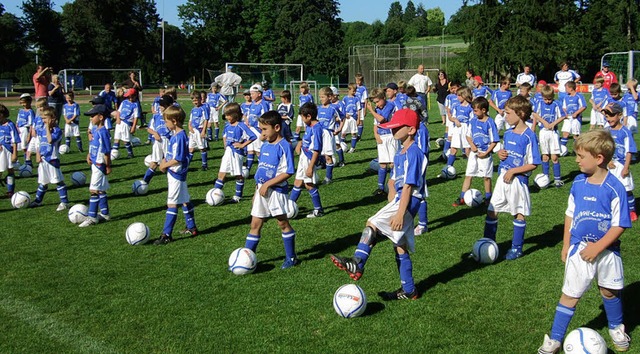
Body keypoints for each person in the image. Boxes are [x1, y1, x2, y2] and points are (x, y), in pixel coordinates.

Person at [537, 129, 631, 354]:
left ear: (599, 158)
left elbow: (620, 224)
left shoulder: (615, 188)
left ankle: (616, 328)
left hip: (607, 251)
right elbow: (570, 214)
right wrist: (565, 243)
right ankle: (555, 340)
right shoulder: (578, 183)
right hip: (579, 249)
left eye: (581, 156)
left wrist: (598, 247)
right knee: (570, 294)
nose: (577, 160)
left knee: (609, 291)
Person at [330, 108, 427, 301]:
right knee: (399, 245)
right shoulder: (401, 152)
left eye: (396, 128)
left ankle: (358, 262)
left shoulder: (414, 153)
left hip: (409, 201)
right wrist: (391, 191)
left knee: (372, 223)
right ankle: (409, 290)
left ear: (410, 130)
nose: (392, 131)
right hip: (402, 200)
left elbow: (409, 186)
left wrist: (400, 213)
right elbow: (395, 181)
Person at [483, 95, 541, 260]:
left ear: (521, 113)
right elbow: (506, 154)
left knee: (518, 212)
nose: (505, 116)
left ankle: (516, 248)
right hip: (503, 177)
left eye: (508, 113)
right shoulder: (508, 133)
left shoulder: (529, 136)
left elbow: (534, 163)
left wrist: (514, 171)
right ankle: (488, 243)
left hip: (518, 181)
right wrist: (501, 155)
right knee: (492, 210)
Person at [242, 110, 299, 269]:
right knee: (255, 224)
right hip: (261, 190)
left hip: (276, 192)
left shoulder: (284, 146)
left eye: (265, 129)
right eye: (261, 129)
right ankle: (246, 259)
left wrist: (268, 184)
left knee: (282, 223)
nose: (262, 133)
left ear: (276, 127)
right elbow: (261, 169)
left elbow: (288, 171)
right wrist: (257, 189)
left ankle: (291, 258)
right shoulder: (266, 145)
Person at [154, 106, 198, 244]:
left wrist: (164, 165)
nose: (165, 123)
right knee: (185, 200)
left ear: (174, 121)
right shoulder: (177, 135)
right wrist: (164, 160)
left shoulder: (179, 136)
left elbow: (178, 158)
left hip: (176, 174)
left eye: (166, 121)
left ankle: (166, 234)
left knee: (171, 204)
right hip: (176, 173)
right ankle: (192, 228)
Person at [453, 97, 499, 207]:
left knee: (486, 177)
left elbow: (494, 141)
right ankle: (462, 197)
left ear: (483, 110)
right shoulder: (473, 121)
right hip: (474, 153)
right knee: (469, 175)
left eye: (475, 110)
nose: (474, 112)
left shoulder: (490, 122)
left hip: (485, 154)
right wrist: (472, 145)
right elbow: (468, 135)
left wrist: (486, 152)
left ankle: (488, 198)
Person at [213, 103, 256, 203]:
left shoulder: (241, 126)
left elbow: (253, 136)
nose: (227, 117)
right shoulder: (227, 125)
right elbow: (224, 135)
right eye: (226, 115)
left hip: (237, 153)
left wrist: (242, 145)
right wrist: (225, 145)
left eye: (229, 115)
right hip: (228, 151)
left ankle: (237, 196)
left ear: (236, 114)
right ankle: (214, 194)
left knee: (238, 174)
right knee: (221, 173)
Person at [289, 102, 325, 218]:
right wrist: (300, 143)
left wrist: (310, 166)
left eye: (302, 117)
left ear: (309, 116)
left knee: (308, 184)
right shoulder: (309, 126)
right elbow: (306, 140)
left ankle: (318, 210)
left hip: (309, 159)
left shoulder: (317, 129)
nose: (302, 120)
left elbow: (316, 150)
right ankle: (288, 206)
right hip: (303, 157)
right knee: (297, 182)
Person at [28, 107, 69, 211]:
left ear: (53, 118)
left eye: (45, 118)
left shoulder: (58, 131)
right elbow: (39, 143)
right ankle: (38, 201)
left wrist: (47, 128)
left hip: (52, 160)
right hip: (43, 159)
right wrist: (37, 154)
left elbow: (50, 140)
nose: (43, 121)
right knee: (43, 182)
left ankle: (64, 203)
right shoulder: (41, 130)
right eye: (42, 119)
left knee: (58, 181)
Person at [79, 104, 112, 227]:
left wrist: (108, 166)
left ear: (101, 117)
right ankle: (105, 214)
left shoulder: (103, 132)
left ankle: (92, 217)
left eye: (93, 116)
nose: (90, 118)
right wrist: (89, 154)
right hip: (94, 162)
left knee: (93, 190)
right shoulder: (94, 130)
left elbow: (106, 151)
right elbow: (94, 145)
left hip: (99, 164)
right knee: (101, 189)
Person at [604, 102, 637, 221]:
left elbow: (629, 151)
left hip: (622, 164)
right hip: (609, 165)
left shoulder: (625, 132)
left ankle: (631, 210)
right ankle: (612, 209)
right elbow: (603, 148)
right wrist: (607, 161)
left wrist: (626, 167)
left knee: (626, 188)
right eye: (606, 116)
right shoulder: (606, 131)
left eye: (611, 115)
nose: (608, 118)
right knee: (609, 188)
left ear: (620, 115)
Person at [533, 85, 565, 187]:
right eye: (545, 99)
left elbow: (563, 116)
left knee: (554, 157)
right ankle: (545, 177)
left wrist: (553, 124)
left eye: (549, 99)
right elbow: (535, 114)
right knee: (545, 157)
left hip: (553, 133)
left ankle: (557, 179)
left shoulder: (556, 104)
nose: (547, 101)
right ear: (542, 97)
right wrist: (544, 122)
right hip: (543, 131)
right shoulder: (539, 103)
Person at [368, 88, 397, 196]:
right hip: (381, 137)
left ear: (383, 98)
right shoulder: (377, 108)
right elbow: (376, 123)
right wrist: (376, 134)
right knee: (382, 163)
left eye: (377, 101)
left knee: (392, 163)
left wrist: (371, 110)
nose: (377, 104)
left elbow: (381, 119)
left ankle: (394, 185)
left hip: (391, 136)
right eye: (375, 102)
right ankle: (380, 188)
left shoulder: (389, 105)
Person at [141, 95, 174, 186]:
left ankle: (173, 183)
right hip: (158, 141)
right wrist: (154, 133)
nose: (161, 106)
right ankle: (144, 182)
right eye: (160, 104)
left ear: (170, 105)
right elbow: (149, 128)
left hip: (169, 141)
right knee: (154, 162)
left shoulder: (172, 116)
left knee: (169, 163)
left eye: (163, 105)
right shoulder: (156, 116)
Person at [444, 87, 473, 171]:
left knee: (467, 150)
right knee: (453, 149)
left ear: (464, 96)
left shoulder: (470, 108)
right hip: (457, 129)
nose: (457, 98)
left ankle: (472, 168)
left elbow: (472, 120)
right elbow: (451, 117)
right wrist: (455, 120)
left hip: (466, 129)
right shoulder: (456, 106)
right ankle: (448, 168)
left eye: (459, 96)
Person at [316, 87, 340, 184]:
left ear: (329, 97)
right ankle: (312, 175)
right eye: (320, 97)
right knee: (315, 154)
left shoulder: (334, 108)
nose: (321, 99)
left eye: (323, 97)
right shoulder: (318, 108)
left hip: (328, 134)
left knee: (328, 156)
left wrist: (339, 129)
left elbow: (342, 118)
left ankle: (328, 178)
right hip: (319, 133)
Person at [246, 84, 270, 176]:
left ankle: (263, 169)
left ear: (259, 94)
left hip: (258, 131)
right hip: (251, 130)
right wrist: (247, 123)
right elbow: (249, 116)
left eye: (253, 94)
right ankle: (247, 170)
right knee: (250, 150)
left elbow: (266, 119)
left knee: (259, 152)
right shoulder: (252, 104)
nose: (251, 95)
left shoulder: (263, 104)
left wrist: (264, 132)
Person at [112, 88, 140, 158]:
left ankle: (130, 153)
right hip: (119, 122)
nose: (130, 98)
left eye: (131, 97)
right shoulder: (124, 102)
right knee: (116, 138)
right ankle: (114, 154)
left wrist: (133, 127)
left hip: (126, 123)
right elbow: (118, 111)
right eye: (129, 97)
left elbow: (136, 117)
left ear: (135, 96)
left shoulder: (136, 105)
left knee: (125, 140)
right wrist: (117, 119)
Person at [560, 81, 586, 152]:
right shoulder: (566, 97)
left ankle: (576, 150)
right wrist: (565, 114)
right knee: (565, 133)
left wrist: (576, 113)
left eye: (566, 88)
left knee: (575, 134)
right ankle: (562, 150)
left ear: (571, 88)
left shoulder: (579, 96)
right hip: (568, 118)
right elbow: (564, 107)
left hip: (576, 118)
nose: (565, 90)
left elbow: (584, 106)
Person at [0, 103, 19, 197]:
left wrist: (15, 153)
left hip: (8, 151)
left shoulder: (10, 124)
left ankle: (10, 191)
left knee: (10, 170)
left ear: (2, 114)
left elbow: (15, 140)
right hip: (0, 152)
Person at [188, 91, 210, 171]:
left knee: (202, 148)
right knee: (191, 149)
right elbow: (190, 120)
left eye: (197, 100)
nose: (195, 102)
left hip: (199, 130)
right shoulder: (193, 109)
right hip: (192, 131)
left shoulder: (203, 109)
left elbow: (206, 120)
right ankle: (187, 165)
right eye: (193, 101)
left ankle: (204, 165)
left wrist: (203, 131)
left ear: (201, 99)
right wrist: (189, 127)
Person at [341, 83, 361, 153]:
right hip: (346, 118)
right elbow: (342, 108)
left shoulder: (357, 99)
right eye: (353, 91)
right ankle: (342, 147)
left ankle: (352, 148)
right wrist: (345, 114)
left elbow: (359, 110)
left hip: (353, 118)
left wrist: (358, 119)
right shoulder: (345, 98)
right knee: (343, 133)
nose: (354, 92)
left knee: (353, 133)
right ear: (349, 90)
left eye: (355, 91)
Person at [16, 94, 35, 166]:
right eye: (22, 102)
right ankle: (22, 161)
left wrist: (29, 135)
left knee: (25, 147)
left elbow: (31, 124)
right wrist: (16, 128)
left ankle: (28, 161)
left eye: (25, 102)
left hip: (25, 130)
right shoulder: (20, 111)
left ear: (29, 102)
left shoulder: (30, 112)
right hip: (19, 130)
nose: (23, 104)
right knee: (19, 147)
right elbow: (17, 121)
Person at [355, 73, 368, 140]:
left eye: (359, 80)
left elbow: (366, 99)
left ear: (362, 81)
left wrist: (365, 109)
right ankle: (353, 133)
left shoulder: (363, 88)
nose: (358, 82)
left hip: (361, 106)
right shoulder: (354, 87)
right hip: (354, 107)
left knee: (360, 121)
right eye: (357, 80)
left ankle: (359, 136)